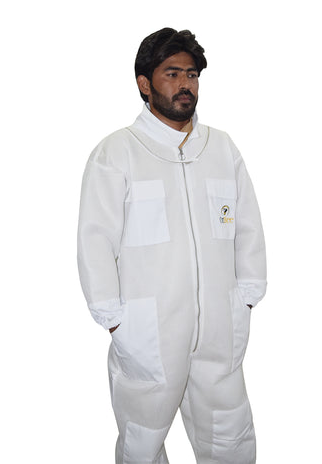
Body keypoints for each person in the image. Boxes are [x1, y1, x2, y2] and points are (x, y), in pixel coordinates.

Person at [77, 28, 267, 464]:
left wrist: (246, 296)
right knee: (143, 440)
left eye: (192, 75)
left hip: (220, 326)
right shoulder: (117, 153)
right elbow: (95, 240)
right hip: (150, 332)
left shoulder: (221, 148)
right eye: (172, 73)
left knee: (229, 433)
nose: (186, 84)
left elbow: (248, 227)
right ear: (145, 84)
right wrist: (115, 320)